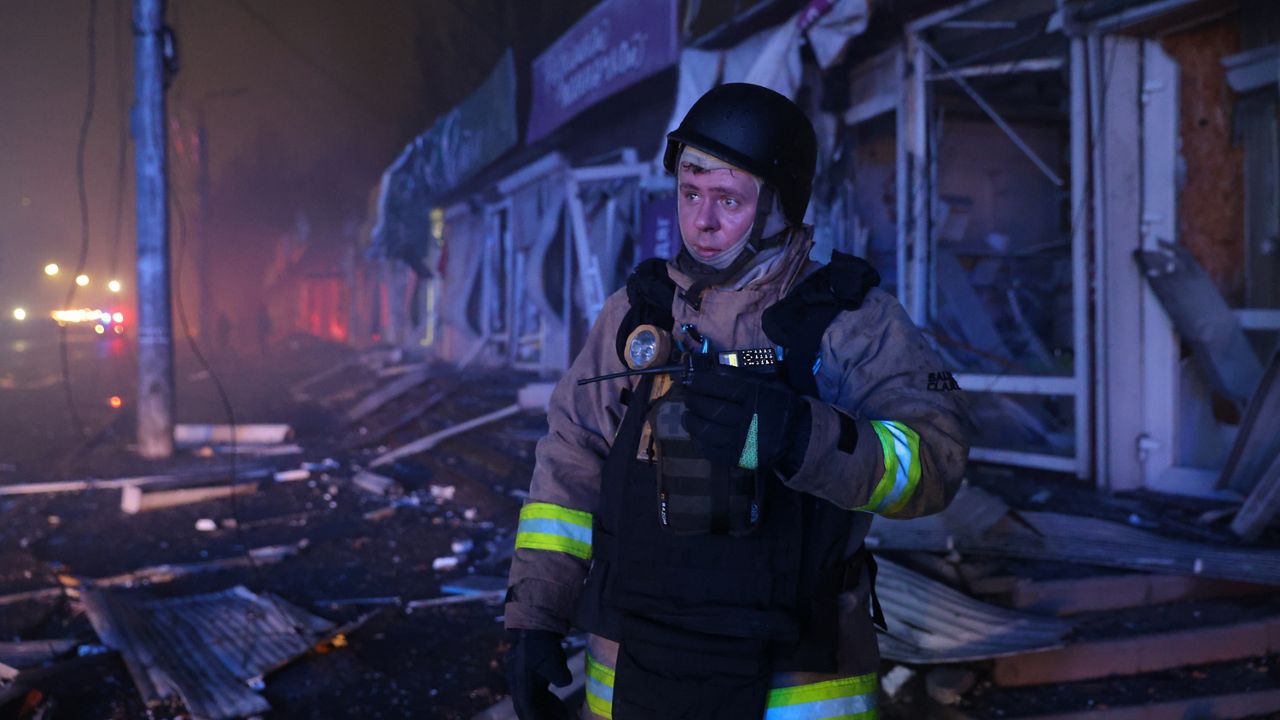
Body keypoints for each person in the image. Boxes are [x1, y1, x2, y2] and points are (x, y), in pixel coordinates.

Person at [504, 82, 971, 720]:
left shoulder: (855, 322)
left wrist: (801, 437)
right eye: (690, 193)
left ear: (780, 206)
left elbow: (937, 463)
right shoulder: (636, 317)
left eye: (728, 199)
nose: (702, 221)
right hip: (634, 673)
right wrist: (534, 615)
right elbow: (568, 466)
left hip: (797, 685)